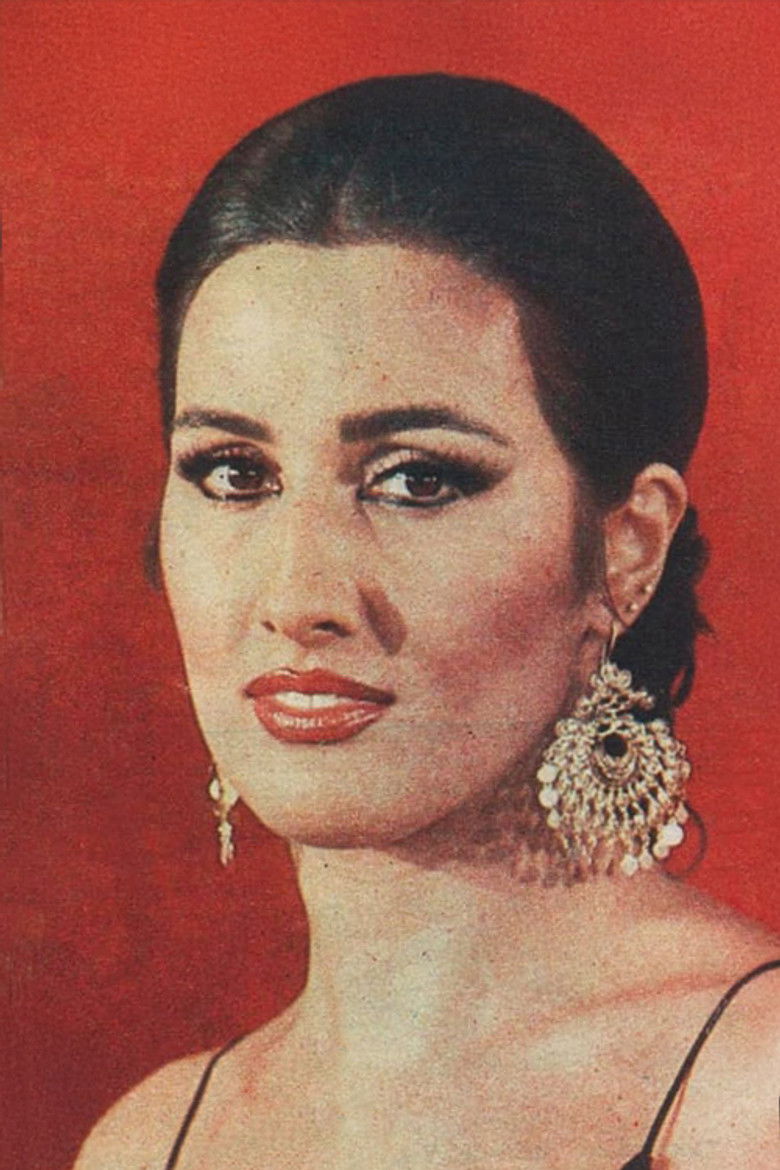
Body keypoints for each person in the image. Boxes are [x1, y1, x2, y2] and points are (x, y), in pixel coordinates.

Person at [76, 74, 778, 1170]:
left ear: (626, 547)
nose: (299, 599)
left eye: (416, 480)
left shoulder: (750, 1094)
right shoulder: (151, 1140)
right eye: (234, 473)